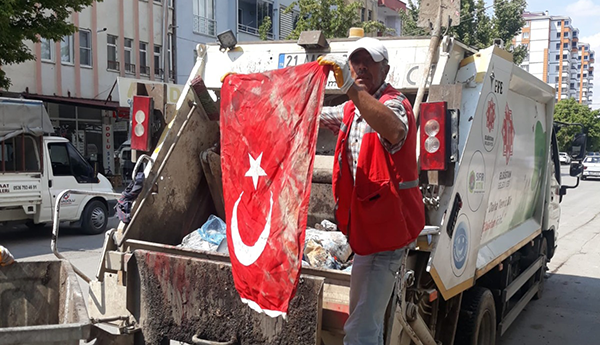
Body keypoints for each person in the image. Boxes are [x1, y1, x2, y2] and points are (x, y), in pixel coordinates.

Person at [317, 37, 425, 345]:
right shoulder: (351, 110)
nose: (361, 66)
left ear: (385, 69)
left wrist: (351, 85)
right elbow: (316, 114)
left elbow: (394, 128)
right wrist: (262, 93)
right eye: (355, 62)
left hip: (388, 233)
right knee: (365, 324)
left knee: (361, 330)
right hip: (367, 234)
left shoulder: (395, 104)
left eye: (369, 61)